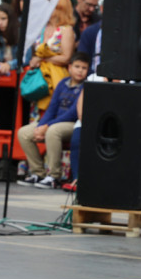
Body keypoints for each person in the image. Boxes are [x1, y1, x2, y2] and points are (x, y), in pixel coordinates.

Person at [17, 52, 89, 188]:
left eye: (84, 68)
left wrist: (47, 127)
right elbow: (52, 108)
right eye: (77, 66)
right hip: (54, 122)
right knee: (24, 132)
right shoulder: (63, 83)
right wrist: (41, 126)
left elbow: (72, 113)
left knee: (52, 131)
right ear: (69, 67)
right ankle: (38, 173)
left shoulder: (86, 87)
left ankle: (54, 176)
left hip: (72, 124)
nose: (80, 70)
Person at [25, 0, 75, 114]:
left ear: (60, 10)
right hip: (39, 81)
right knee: (36, 115)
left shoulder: (66, 30)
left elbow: (66, 58)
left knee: (52, 112)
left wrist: (42, 58)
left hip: (56, 79)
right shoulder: (41, 28)